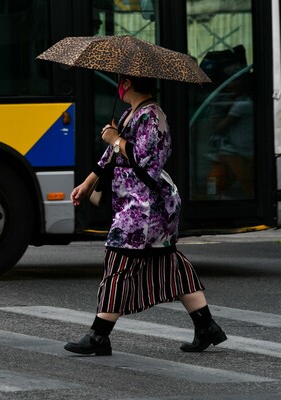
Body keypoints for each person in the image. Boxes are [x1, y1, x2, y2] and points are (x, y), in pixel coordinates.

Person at [65, 74, 227, 356]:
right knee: (169, 264)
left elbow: (145, 161)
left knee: (117, 262)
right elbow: (110, 158)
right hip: (135, 204)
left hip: (146, 208)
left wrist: (116, 139)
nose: (118, 86)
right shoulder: (132, 113)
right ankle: (206, 326)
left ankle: (98, 335)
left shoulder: (153, 117)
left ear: (126, 83)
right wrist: (87, 183)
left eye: (119, 81)